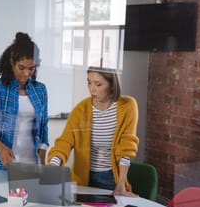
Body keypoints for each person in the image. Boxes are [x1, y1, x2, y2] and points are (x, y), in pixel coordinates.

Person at [48, 66, 139, 197]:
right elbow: (65, 142)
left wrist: (121, 183)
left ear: (112, 85)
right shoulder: (81, 109)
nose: (92, 89)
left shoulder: (128, 106)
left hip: (111, 178)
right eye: (89, 82)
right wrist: (53, 165)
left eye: (98, 84)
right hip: (83, 180)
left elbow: (126, 147)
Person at [0, 32, 49, 183]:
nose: (26, 74)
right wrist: (0, 147)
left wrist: (42, 156)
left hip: (31, 165)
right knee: (2, 206)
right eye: (21, 67)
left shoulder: (40, 90)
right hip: (0, 166)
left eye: (31, 69)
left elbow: (43, 127)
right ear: (12, 62)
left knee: (33, 206)